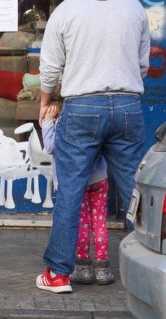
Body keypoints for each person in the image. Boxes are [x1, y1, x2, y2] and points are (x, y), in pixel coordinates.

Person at [36, 0, 149, 293]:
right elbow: (143, 64)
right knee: (135, 193)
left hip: (82, 108)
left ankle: (58, 274)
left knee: (70, 190)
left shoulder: (66, 11)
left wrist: (44, 101)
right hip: (129, 106)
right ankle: (149, 274)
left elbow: (50, 68)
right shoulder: (134, 8)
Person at [41, 104, 114, 286]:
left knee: (81, 222)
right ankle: (102, 269)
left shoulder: (64, 125)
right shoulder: (97, 121)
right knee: (99, 222)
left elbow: (50, 147)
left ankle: (82, 268)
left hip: (76, 180)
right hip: (99, 178)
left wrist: (48, 124)